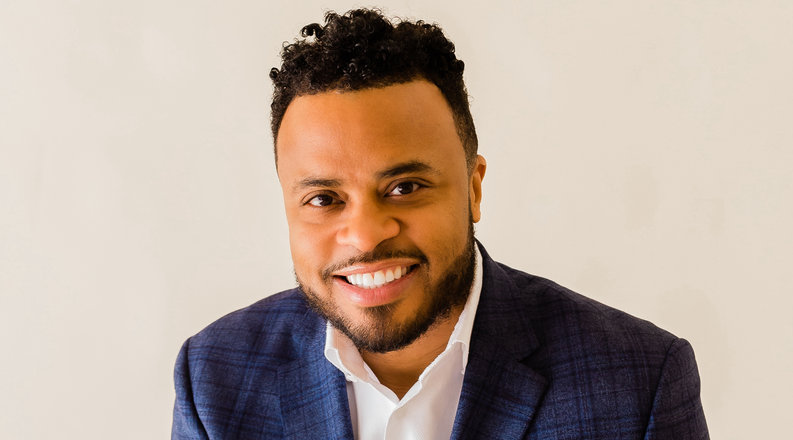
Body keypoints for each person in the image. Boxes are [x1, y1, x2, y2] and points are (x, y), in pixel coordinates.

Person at [172, 8, 709, 439]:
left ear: (474, 188)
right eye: (324, 199)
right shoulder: (214, 380)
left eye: (404, 188)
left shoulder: (639, 383)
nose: (365, 235)